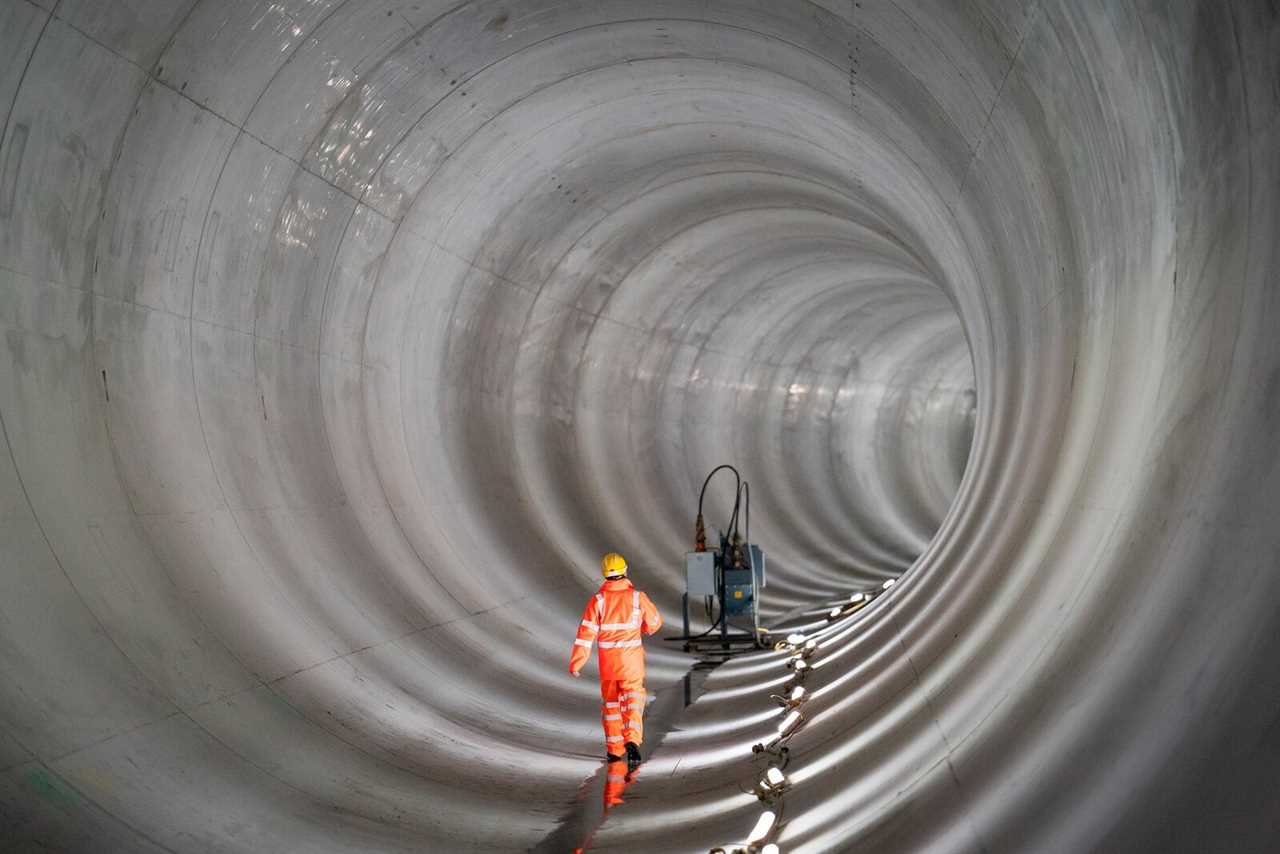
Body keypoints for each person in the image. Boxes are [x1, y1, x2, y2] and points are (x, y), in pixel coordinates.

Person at [569, 552, 662, 765]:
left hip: (609, 666)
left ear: (604, 574)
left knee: (611, 707)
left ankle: (613, 750)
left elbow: (585, 634)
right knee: (632, 701)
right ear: (625, 571)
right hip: (631, 665)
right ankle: (632, 741)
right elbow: (655, 622)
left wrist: (577, 662)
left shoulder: (598, 601)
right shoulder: (638, 598)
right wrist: (644, 628)